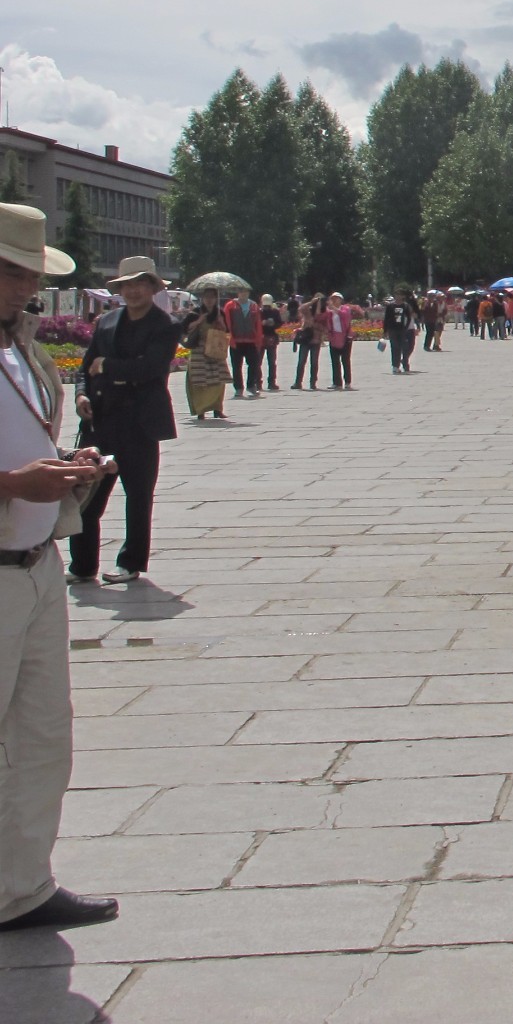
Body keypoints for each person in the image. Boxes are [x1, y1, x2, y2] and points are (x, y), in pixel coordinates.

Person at [0, 201, 121, 933]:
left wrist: (65, 467)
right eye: (13, 274)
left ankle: (20, 885)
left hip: (37, 562)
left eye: (28, 277)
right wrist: (13, 486)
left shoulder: (21, 346)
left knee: (44, 733)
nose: (25, 290)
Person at [69, 256, 180, 586]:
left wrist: (108, 366)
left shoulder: (165, 325)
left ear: (152, 287)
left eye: (140, 283)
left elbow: (152, 368)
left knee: (138, 496)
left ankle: (130, 563)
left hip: (140, 422)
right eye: (127, 285)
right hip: (102, 420)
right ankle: (82, 565)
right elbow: (84, 368)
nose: (133, 290)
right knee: (88, 495)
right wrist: (81, 396)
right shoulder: (106, 322)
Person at [182, 287, 231, 420]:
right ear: (202, 298)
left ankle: (217, 408)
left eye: (212, 297)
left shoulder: (219, 313)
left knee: (219, 380)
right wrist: (198, 321)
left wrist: (221, 323)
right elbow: (184, 329)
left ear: (216, 299)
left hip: (215, 348)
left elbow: (226, 331)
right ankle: (201, 410)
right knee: (199, 380)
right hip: (199, 349)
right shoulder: (195, 313)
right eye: (206, 297)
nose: (209, 300)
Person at [223, 287, 263, 399]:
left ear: (248, 293)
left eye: (245, 292)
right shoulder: (230, 305)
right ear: (238, 293)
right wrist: (230, 339)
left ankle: (251, 385)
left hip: (251, 341)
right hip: (236, 341)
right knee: (236, 366)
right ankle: (238, 388)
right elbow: (227, 323)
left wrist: (258, 339)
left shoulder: (254, 306)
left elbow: (258, 324)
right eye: (241, 292)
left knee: (254, 364)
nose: (243, 294)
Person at [292, 295, 326, 388]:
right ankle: (298, 382)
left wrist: (316, 325)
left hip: (316, 340)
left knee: (314, 362)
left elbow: (324, 327)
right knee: (301, 361)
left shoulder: (323, 314)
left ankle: (313, 383)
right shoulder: (307, 313)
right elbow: (301, 308)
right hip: (305, 340)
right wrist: (312, 302)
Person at [323, 291, 354, 390]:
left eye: (336, 298)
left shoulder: (346, 309)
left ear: (341, 300)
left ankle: (348, 382)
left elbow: (345, 316)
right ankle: (337, 382)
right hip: (334, 337)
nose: (334, 300)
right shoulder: (329, 311)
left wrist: (334, 308)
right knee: (335, 361)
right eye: (332, 298)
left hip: (345, 338)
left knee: (345, 360)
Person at [381, 290, 417, 374]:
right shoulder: (390, 306)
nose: (398, 297)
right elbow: (386, 318)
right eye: (396, 295)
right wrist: (385, 330)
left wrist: (406, 327)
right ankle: (395, 366)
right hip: (392, 329)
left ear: (402, 296)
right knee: (394, 347)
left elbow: (409, 317)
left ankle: (405, 364)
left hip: (402, 329)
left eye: (399, 295)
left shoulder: (405, 306)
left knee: (404, 347)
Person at [258, 293, 283, 390]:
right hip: (262, 338)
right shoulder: (259, 312)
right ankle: (259, 382)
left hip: (271, 337)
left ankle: (271, 382)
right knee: (259, 362)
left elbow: (279, 323)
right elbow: (255, 324)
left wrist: (273, 324)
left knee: (271, 362)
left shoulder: (275, 312)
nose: (266, 307)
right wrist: (262, 323)